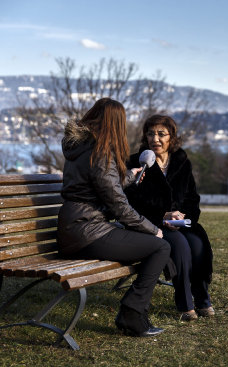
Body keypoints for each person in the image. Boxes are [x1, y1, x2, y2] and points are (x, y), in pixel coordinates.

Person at [57, 98, 170, 337]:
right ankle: (132, 311)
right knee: (160, 246)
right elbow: (119, 205)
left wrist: (129, 175)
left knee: (156, 245)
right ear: (115, 123)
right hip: (87, 232)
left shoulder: (80, 147)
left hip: (76, 229)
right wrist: (152, 229)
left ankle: (133, 310)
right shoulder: (100, 152)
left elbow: (100, 183)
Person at [125, 114, 214, 321]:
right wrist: (162, 216)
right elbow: (131, 203)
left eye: (161, 134)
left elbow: (193, 198)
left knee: (198, 245)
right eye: (150, 134)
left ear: (171, 138)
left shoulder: (181, 161)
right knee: (180, 246)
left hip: (182, 223)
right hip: (151, 224)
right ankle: (185, 305)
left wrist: (183, 216)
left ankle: (202, 299)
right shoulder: (137, 163)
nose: (155, 139)